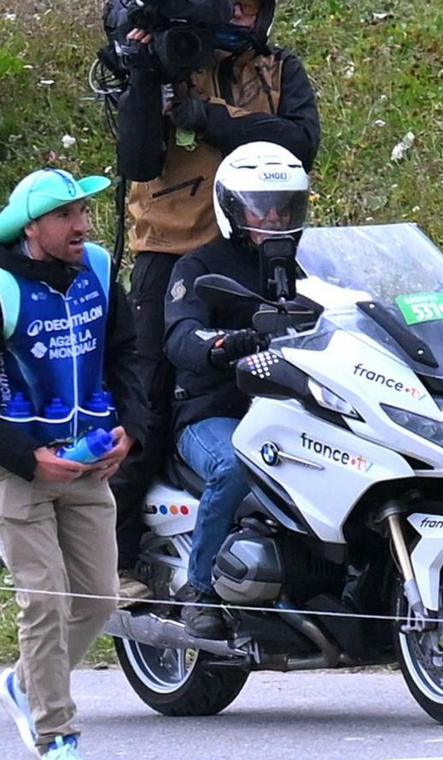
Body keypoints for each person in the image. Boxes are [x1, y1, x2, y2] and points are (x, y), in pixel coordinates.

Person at [114, 0, 318, 596]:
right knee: (147, 396)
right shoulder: (167, 57)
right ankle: (121, 559)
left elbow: (300, 142)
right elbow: (137, 158)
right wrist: (145, 72)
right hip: (171, 247)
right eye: (231, 5)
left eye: (253, 8)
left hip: (261, 246)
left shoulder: (279, 70)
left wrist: (206, 117)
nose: (242, 17)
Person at [0, 169, 146, 760]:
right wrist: (29, 461)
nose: (81, 226)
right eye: (65, 216)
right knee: (44, 601)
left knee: (99, 600)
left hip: (89, 462)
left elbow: (129, 353)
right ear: (31, 227)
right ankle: (58, 741)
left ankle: (27, 682)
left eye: (84, 212)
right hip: (18, 470)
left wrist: (131, 429)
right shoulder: (4, 287)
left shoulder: (98, 270)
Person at [164, 142, 308, 638]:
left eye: (284, 206)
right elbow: (180, 335)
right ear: (230, 207)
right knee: (236, 463)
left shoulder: (306, 268)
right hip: (213, 412)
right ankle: (199, 591)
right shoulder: (198, 268)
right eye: (259, 206)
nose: (273, 217)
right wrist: (221, 343)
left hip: (293, 407)